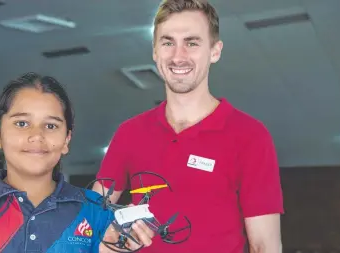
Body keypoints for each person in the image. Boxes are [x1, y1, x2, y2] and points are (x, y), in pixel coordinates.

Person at [93, 0, 284, 252]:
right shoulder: (130, 133)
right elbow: (90, 221)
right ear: (155, 51)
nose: (178, 56)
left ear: (215, 51)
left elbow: (264, 245)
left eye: (192, 43)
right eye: (168, 42)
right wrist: (112, 234)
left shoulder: (250, 136)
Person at [0, 72, 154, 253]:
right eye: (21, 123)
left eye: (51, 126)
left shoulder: (100, 214)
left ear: (66, 139)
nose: (36, 136)